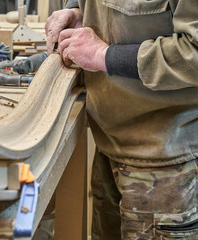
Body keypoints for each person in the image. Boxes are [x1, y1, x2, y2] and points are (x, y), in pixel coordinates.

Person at [45, 0, 198, 239]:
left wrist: (104, 55)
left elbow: (195, 53)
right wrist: (78, 10)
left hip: (164, 162)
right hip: (109, 143)